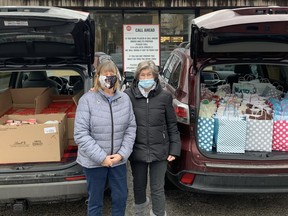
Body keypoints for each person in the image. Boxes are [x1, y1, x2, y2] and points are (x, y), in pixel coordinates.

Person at [74, 60, 136, 216]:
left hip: (118, 160)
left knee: (120, 198)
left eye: (112, 74)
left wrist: (122, 154)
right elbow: (81, 133)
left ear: (117, 76)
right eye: (105, 74)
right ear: (98, 77)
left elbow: (131, 128)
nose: (109, 77)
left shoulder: (124, 99)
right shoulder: (87, 100)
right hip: (94, 162)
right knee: (95, 201)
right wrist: (102, 158)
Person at [124, 60, 181, 216]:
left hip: (160, 150)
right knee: (139, 186)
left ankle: (158, 213)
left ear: (155, 76)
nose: (146, 77)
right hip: (137, 149)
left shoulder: (165, 97)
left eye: (149, 74)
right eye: (142, 75)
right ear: (137, 77)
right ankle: (140, 212)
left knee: (157, 188)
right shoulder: (127, 96)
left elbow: (172, 125)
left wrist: (174, 149)